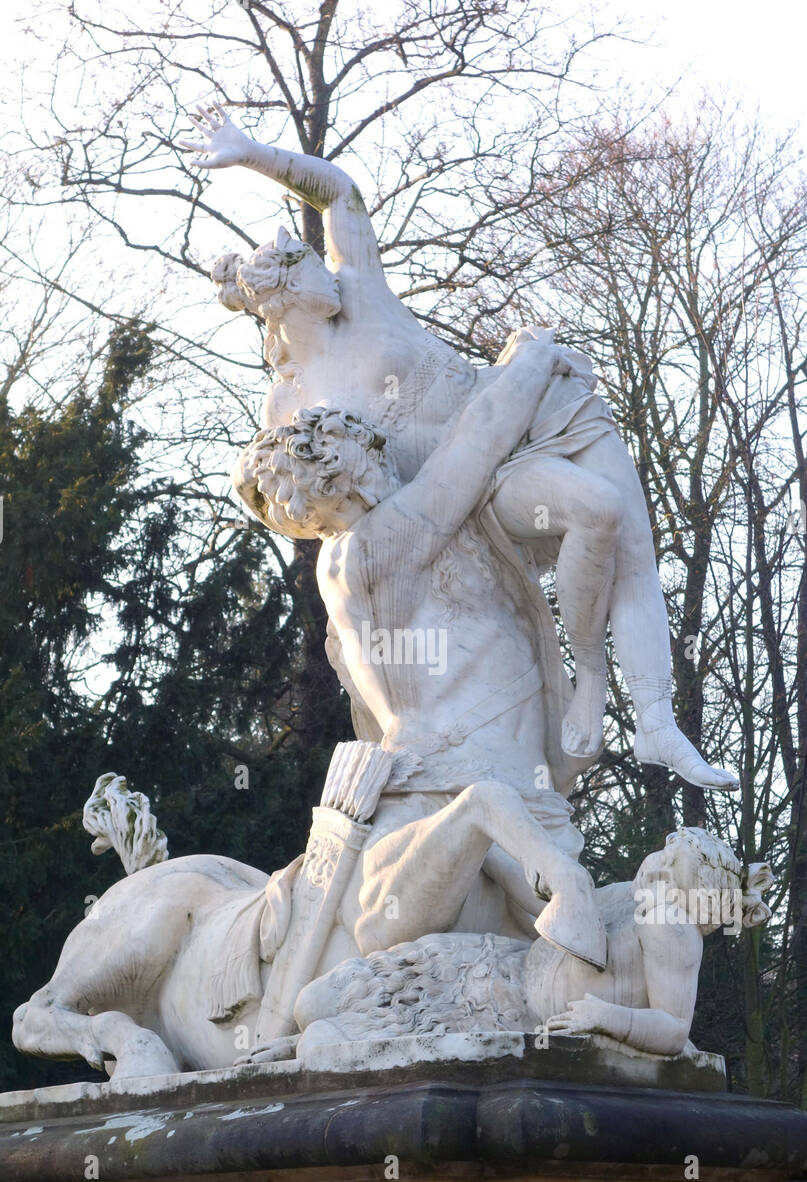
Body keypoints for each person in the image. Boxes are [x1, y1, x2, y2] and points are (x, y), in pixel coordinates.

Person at [181, 104, 737, 789]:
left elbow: (341, 194)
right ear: (288, 292)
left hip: (528, 411)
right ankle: (590, 674)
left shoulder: (360, 292)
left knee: (633, 542)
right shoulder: (291, 404)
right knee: (595, 510)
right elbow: (307, 507)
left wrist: (255, 154)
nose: (330, 272)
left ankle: (654, 715)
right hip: (473, 498)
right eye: (310, 270)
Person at [241, 333, 608, 969]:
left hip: (482, 771)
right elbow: (480, 439)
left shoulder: (359, 556)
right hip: (460, 778)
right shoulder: (379, 542)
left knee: (581, 945)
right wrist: (532, 356)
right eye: (366, 441)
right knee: (582, 946)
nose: (383, 450)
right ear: (345, 468)